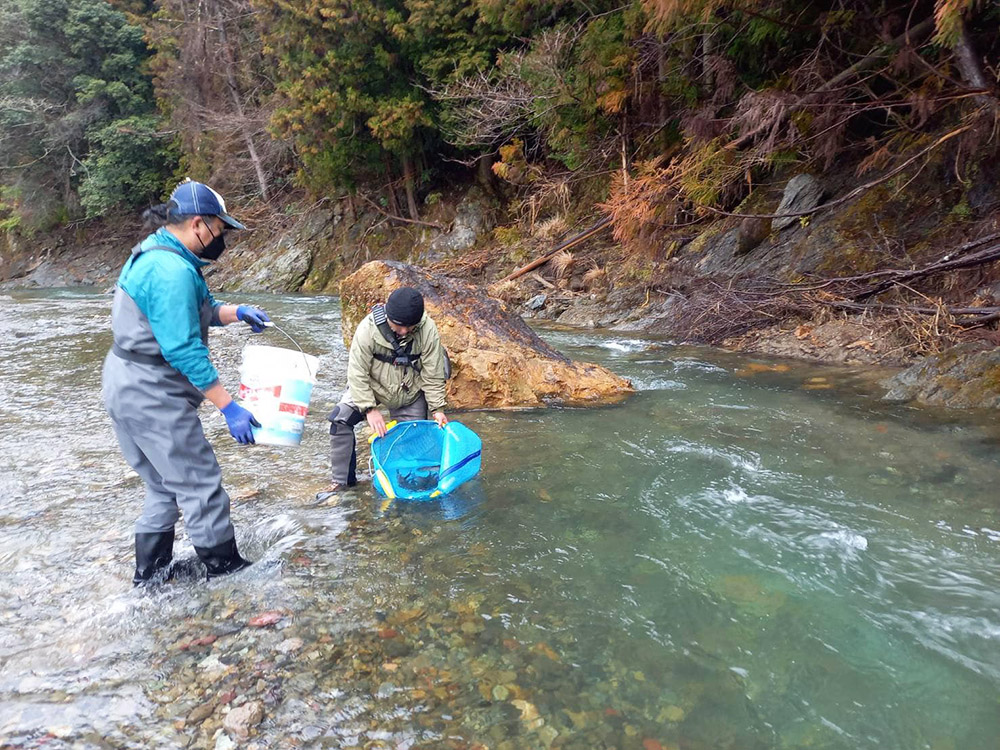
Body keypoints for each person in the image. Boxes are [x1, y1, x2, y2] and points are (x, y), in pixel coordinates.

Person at [102, 179, 271, 585]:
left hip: (123, 382)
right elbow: (183, 349)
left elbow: (199, 309)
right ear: (199, 224)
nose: (222, 238)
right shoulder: (172, 270)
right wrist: (229, 406)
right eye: (220, 229)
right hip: (152, 392)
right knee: (199, 481)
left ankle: (150, 578)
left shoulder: (160, 251)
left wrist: (235, 312)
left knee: (162, 485)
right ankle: (225, 571)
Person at [321, 287, 449, 499]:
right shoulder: (367, 330)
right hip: (372, 388)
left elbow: (433, 373)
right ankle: (342, 485)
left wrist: (437, 409)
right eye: (399, 327)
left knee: (412, 436)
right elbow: (356, 372)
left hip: (409, 391)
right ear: (389, 316)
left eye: (411, 327)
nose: (405, 332)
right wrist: (369, 408)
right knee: (340, 420)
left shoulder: (428, 330)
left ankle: (402, 484)